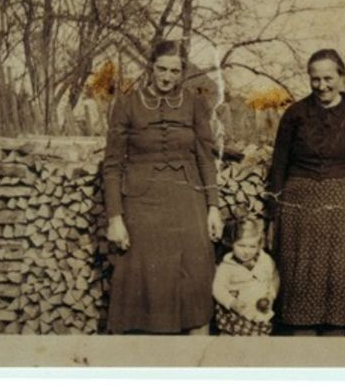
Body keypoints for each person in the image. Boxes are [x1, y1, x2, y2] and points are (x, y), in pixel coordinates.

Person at [102, 40, 224, 334]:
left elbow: (206, 158)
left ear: (183, 72)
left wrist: (213, 207)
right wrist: (115, 218)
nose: (167, 77)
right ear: (150, 67)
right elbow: (112, 165)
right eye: (161, 69)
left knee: (194, 279)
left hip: (188, 201)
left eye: (174, 71)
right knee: (145, 283)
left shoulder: (195, 104)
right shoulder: (127, 105)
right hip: (142, 206)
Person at [267, 49, 345, 336]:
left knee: (342, 275)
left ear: (342, 77)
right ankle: (302, 342)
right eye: (315, 79)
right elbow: (279, 164)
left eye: (328, 78)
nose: (322, 86)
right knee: (301, 276)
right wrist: (272, 213)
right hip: (300, 207)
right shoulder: (294, 114)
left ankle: (338, 343)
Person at [212, 217, 280, 336]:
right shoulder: (227, 265)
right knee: (230, 341)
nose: (246, 251)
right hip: (236, 314)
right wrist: (231, 302)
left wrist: (271, 295)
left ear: (259, 245)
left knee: (259, 341)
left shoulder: (265, 261)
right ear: (231, 243)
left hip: (259, 312)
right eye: (241, 245)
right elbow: (218, 288)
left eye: (252, 247)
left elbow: (274, 279)